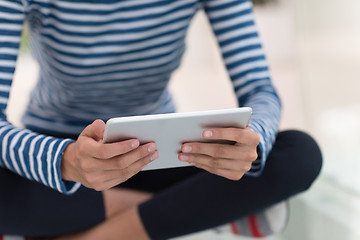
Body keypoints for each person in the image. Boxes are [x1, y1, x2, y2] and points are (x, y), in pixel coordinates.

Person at [0, 0, 322, 239]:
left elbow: (259, 88)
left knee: (298, 153)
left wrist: (253, 141)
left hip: (160, 155)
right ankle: (201, 212)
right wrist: (65, 162)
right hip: (60, 161)